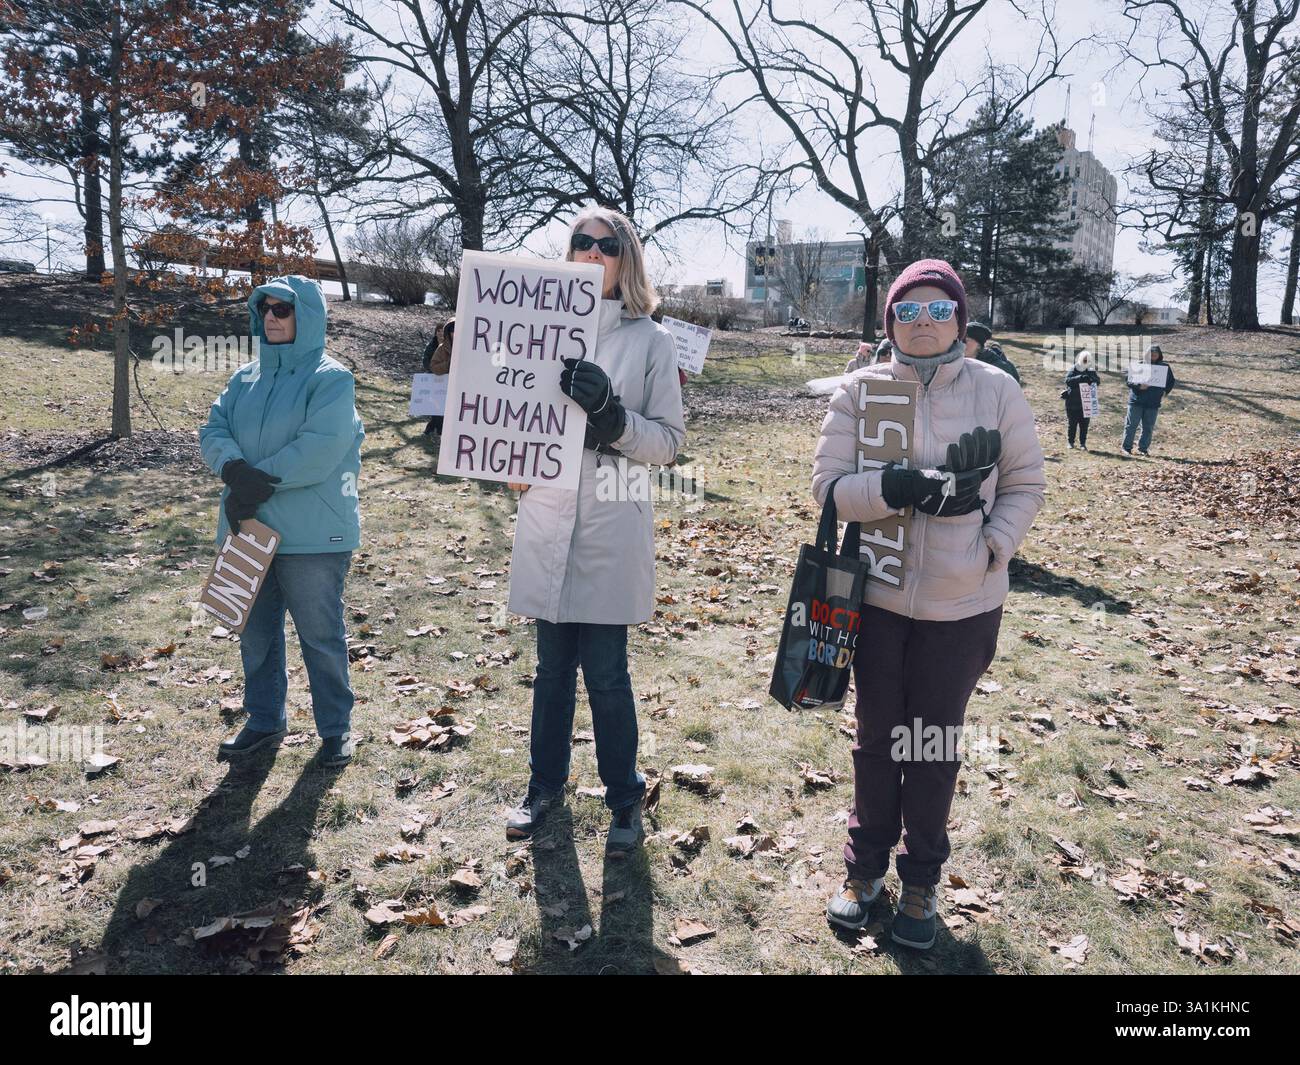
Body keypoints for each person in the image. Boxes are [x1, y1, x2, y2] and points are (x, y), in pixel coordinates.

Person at [811, 259, 1045, 949]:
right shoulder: (858, 392)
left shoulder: (997, 391)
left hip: (962, 606)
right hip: (875, 602)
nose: (923, 322)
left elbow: (1027, 483)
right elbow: (827, 489)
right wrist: (894, 489)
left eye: (939, 310)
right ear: (888, 321)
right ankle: (864, 873)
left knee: (934, 744)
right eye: (907, 311)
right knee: (877, 740)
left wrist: (990, 544)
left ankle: (921, 881)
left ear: (960, 321)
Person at [503, 206, 685, 855]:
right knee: (552, 667)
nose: (592, 252)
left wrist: (614, 418)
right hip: (549, 511)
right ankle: (543, 784)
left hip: (613, 513)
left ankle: (624, 799)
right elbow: (511, 416)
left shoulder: (651, 342)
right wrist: (508, 462)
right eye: (581, 241)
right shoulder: (536, 329)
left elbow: (670, 443)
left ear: (625, 258)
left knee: (606, 672)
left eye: (607, 244)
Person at [199, 276, 365, 768]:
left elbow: (321, 448)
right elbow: (214, 428)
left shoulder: (332, 378)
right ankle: (264, 720)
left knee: (321, 636)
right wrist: (232, 469)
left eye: (283, 309)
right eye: (265, 308)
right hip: (247, 528)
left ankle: (336, 729)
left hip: (314, 534)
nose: (271, 316)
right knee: (255, 633)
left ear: (306, 317)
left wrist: (255, 479)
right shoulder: (244, 378)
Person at [1122, 343, 1175, 456]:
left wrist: (1165, 392)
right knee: (1131, 425)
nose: (1153, 356)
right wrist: (1139, 386)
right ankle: (1126, 448)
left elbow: (1171, 381)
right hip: (1136, 401)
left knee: (1148, 427)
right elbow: (1128, 380)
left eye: (1156, 354)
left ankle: (1143, 449)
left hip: (1153, 403)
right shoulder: (1138, 365)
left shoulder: (1164, 367)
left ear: (1159, 355)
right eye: (1151, 354)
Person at [420, 318, 454, 438]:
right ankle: (436, 431)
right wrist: (448, 365)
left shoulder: (469, 348)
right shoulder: (440, 348)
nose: (454, 334)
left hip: (458, 388)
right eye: (451, 330)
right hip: (440, 385)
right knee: (437, 409)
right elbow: (432, 366)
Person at [1062, 349, 1101, 450]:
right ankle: (1070, 442)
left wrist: (1091, 380)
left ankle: (1083, 443)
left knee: (1084, 425)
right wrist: (1080, 378)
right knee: (1072, 424)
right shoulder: (1074, 368)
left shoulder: (1091, 370)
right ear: (1080, 359)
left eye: (1087, 360)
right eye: (1084, 359)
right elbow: (1068, 381)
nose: (1085, 362)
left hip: (1086, 403)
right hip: (1072, 402)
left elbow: (1098, 381)